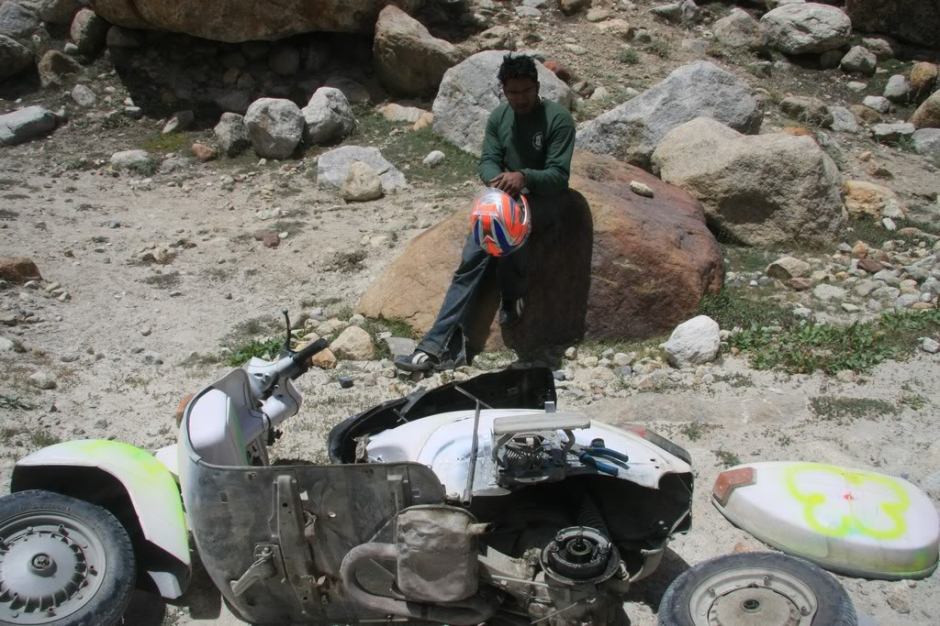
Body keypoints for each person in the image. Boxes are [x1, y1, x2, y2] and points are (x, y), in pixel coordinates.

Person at [395, 54, 576, 373]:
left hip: (545, 198)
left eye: (526, 91)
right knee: (473, 257)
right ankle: (433, 347)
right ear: (503, 91)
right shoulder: (499, 118)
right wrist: (497, 180)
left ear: (537, 87)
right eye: (513, 92)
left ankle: (512, 294)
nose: (520, 98)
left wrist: (524, 177)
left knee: (510, 238)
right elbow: (488, 160)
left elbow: (559, 175)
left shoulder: (558, 119)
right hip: (507, 197)